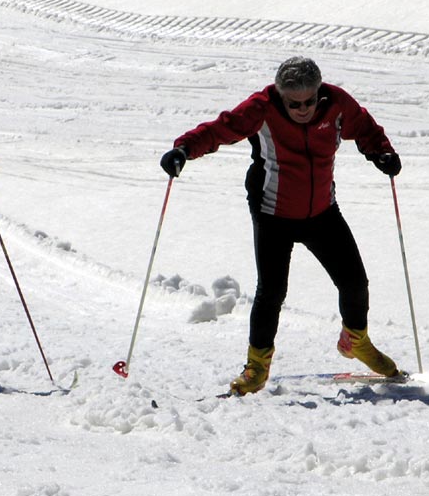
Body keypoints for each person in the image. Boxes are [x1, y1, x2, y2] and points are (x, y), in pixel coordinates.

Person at [160, 57, 403, 396]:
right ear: (280, 95)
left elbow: (364, 128)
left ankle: (356, 341)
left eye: (308, 101)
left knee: (354, 282)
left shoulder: (336, 105)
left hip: (322, 211)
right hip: (273, 212)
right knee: (272, 291)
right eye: (293, 103)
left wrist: (381, 153)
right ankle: (257, 367)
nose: (302, 109)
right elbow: (221, 129)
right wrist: (183, 149)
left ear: (318, 93)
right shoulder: (261, 108)